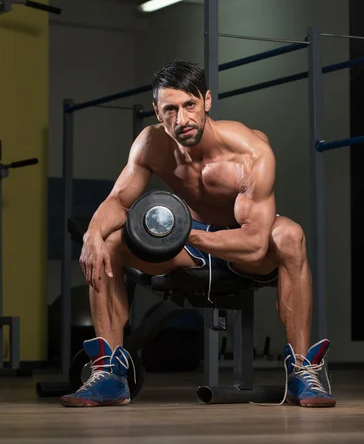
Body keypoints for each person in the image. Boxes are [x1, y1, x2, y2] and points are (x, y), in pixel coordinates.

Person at [60, 60, 336, 409]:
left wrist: (183, 234)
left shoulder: (250, 151)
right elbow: (118, 200)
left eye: (189, 105)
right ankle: (110, 374)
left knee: (290, 236)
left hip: (241, 240)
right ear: (157, 113)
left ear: (206, 101)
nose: (182, 119)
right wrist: (92, 235)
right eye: (170, 110)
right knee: (108, 242)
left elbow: (253, 245)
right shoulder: (151, 144)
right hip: (189, 240)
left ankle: (301, 370)